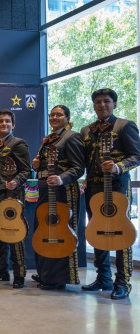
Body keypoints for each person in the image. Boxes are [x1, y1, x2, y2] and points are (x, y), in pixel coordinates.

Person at [80, 88, 140, 299]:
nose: (102, 105)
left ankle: (123, 282)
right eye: (98, 102)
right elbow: (85, 160)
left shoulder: (125, 126)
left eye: (106, 101)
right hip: (94, 188)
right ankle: (103, 278)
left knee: (120, 232)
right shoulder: (86, 131)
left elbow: (137, 155)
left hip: (117, 186)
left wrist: (118, 166)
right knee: (97, 231)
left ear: (114, 103)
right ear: (94, 105)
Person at [31, 105, 84, 290]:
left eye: (59, 114)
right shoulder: (48, 139)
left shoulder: (72, 136)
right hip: (45, 189)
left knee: (62, 231)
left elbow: (78, 168)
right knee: (44, 230)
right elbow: (45, 164)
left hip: (64, 191)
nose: (54, 117)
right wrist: (37, 165)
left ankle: (60, 278)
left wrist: (61, 179)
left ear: (67, 118)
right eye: (52, 114)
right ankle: (47, 274)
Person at [0, 110, 31, 289]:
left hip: (13, 195)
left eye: (8, 121)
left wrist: (16, 181)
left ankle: (19, 274)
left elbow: (27, 170)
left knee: (16, 234)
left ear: (13, 125)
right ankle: (1, 270)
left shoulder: (18, 144)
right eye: (1, 121)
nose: (4, 124)